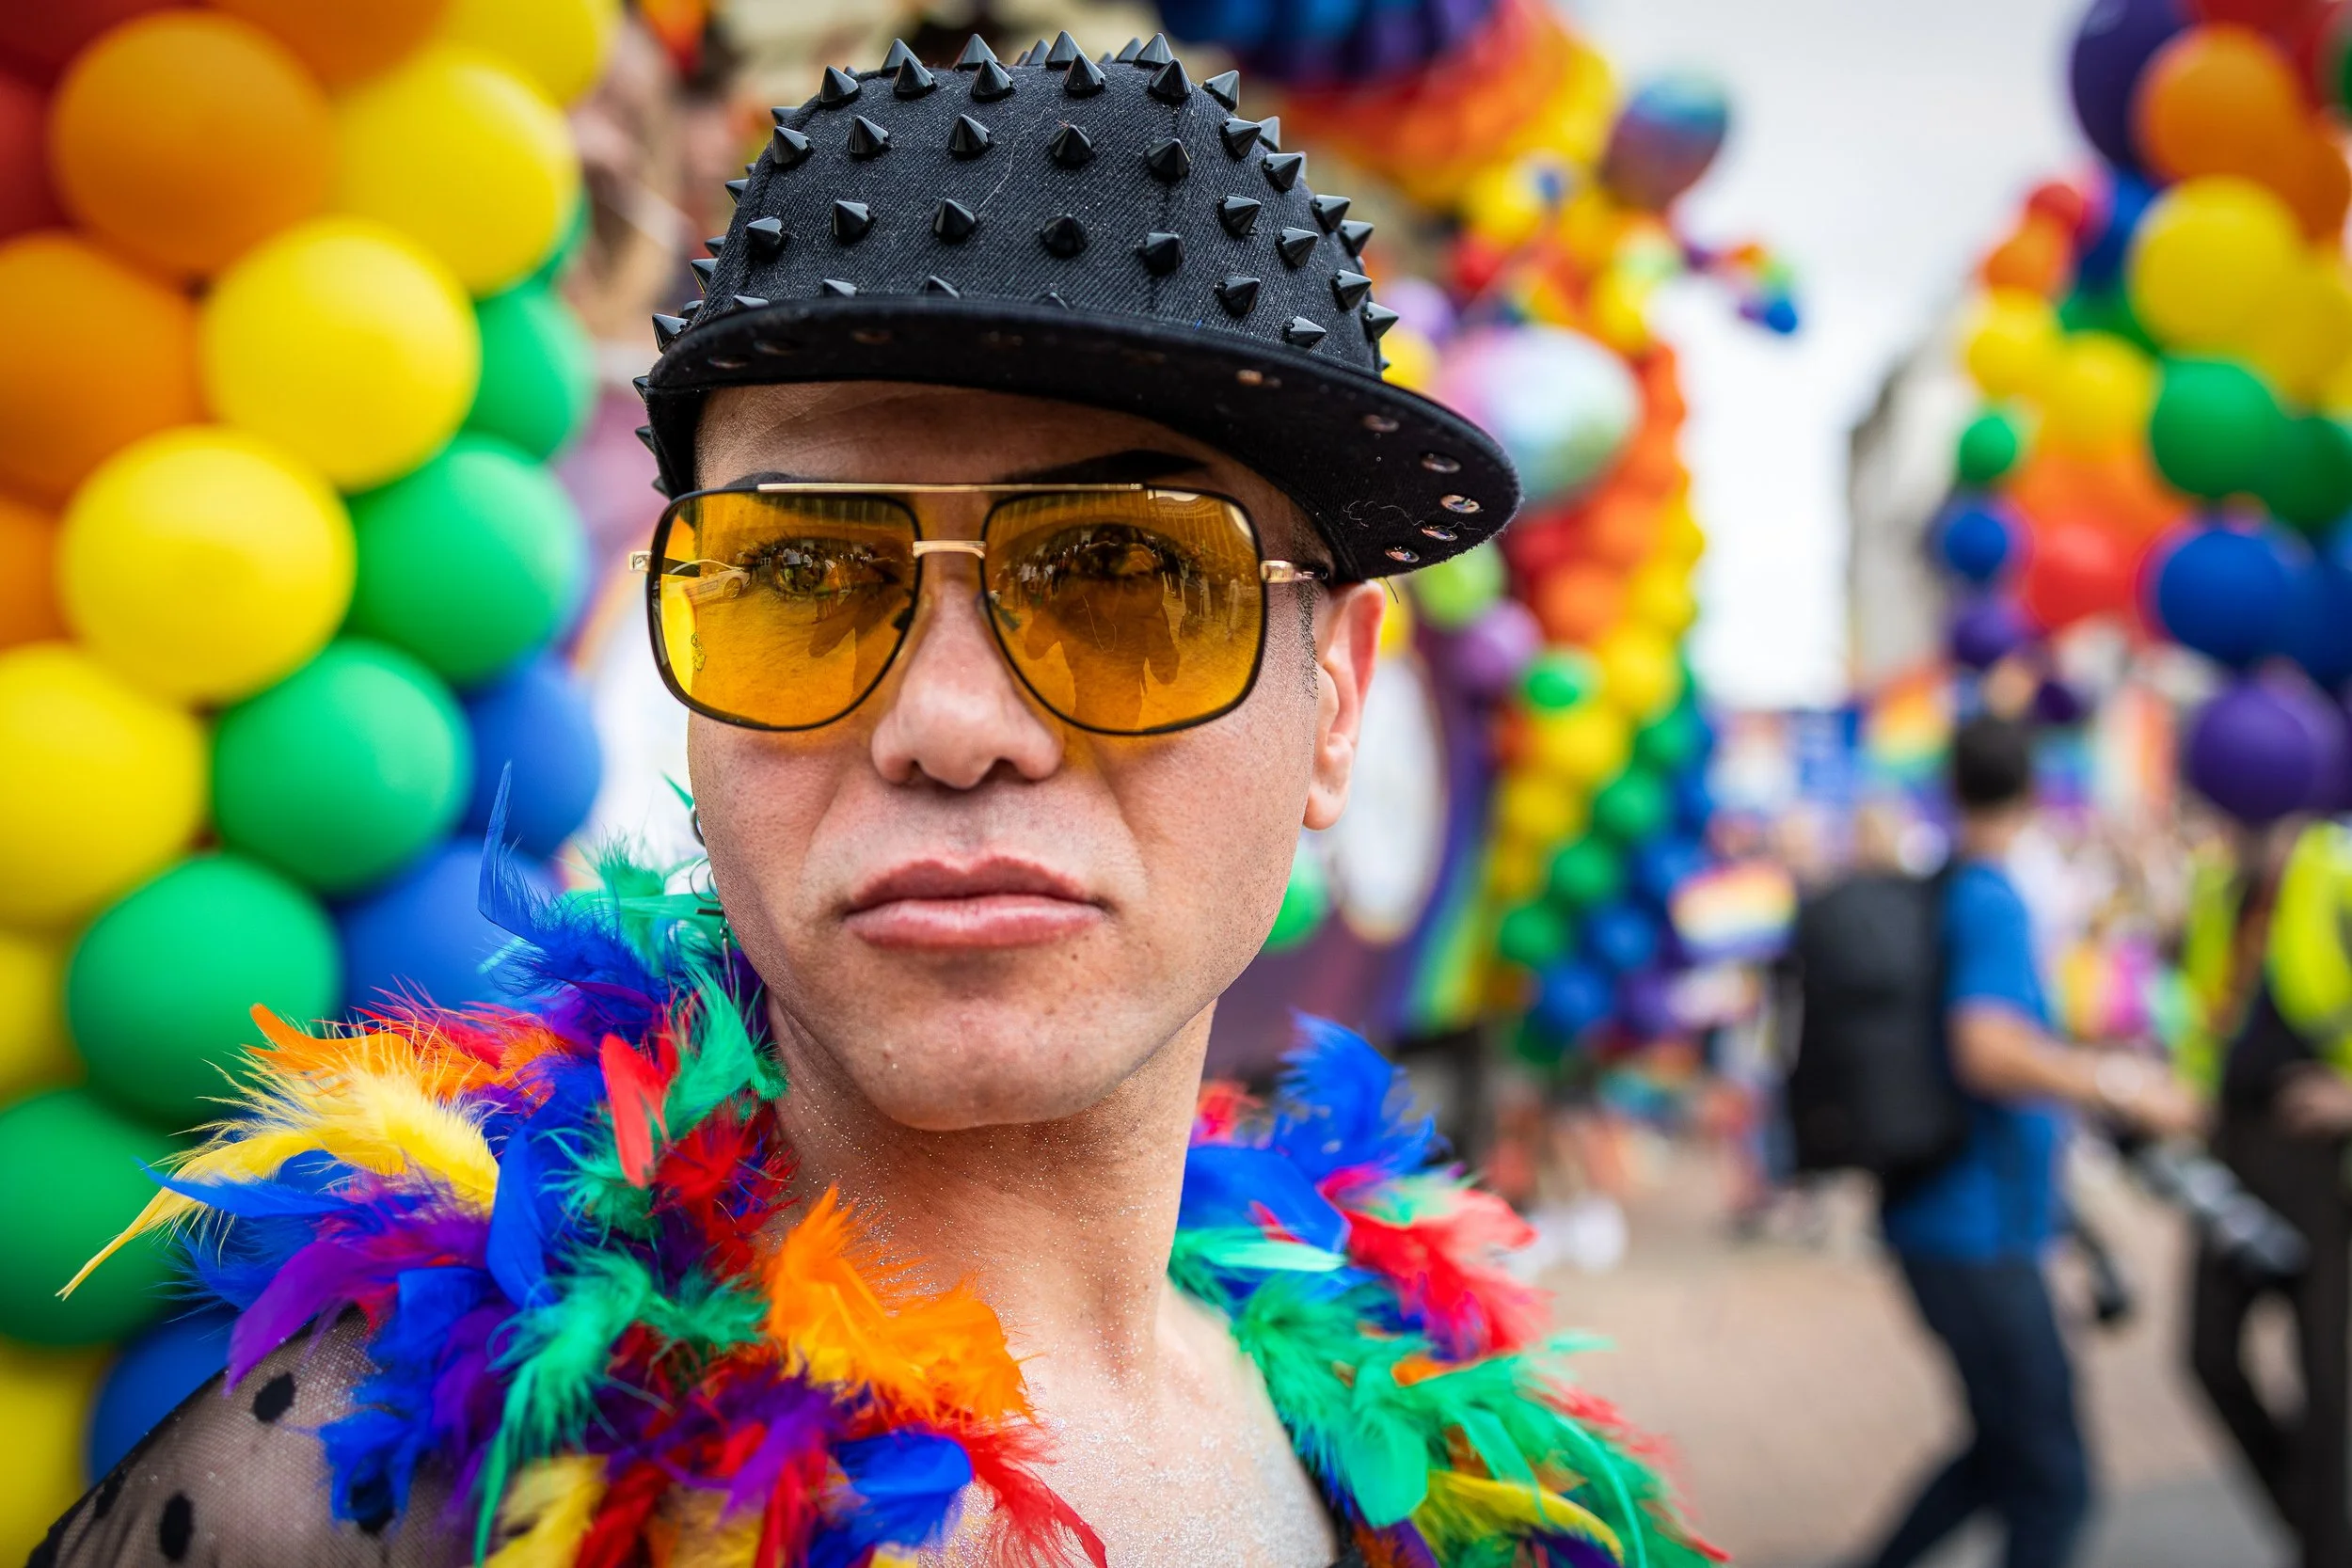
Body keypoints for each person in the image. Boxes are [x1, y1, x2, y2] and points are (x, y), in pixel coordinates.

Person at [33, 34, 1718, 1568]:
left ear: (1336, 698)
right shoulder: (353, 1479)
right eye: (803, 570)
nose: (952, 723)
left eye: (1129, 568)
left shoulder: (1449, 1456)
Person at [1853, 714, 2201, 1568]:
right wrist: (2121, 1086)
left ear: (1951, 788)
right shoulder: (1991, 897)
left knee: (2000, 1453)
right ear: (2035, 791)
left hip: (1945, 1220)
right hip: (1977, 1232)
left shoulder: (1944, 885)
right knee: (2055, 1479)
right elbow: (1988, 1046)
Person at [2185, 818, 2352, 1568]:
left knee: (2329, 1388)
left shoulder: (2337, 872)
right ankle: (2320, 1530)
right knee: (2208, 1354)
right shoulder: (2220, 886)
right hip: (2236, 1153)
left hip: (2322, 1164)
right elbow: (2203, 1014)